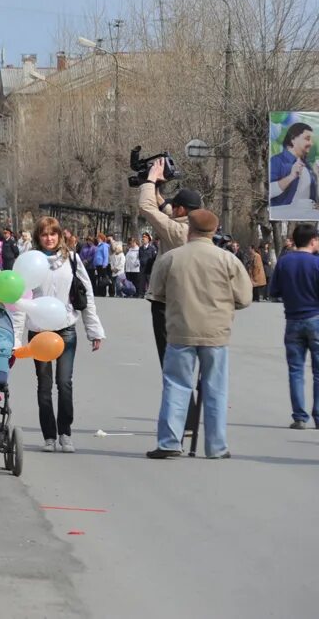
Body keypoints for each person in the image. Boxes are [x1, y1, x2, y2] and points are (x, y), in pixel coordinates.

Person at [146, 209, 251, 459]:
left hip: (181, 331)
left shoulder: (171, 258)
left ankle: (170, 441)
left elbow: (156, 293)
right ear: (214, 231)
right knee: (216, 388)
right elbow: (245, 298)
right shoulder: (228, 260)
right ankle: (216, 446)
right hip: (216, 333)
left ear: (189, 229)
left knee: (175, 384)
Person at [10, 216, 105, 453]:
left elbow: (86, 295)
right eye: (44, 234)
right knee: (44, 386)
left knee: (64, 383)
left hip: (65, 328)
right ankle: (49, 436)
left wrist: (94, 330)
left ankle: (65, 432)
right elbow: (20, 302)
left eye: (53, 234)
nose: (49, 238)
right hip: (39, 332)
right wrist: (15, 338)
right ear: (37, 237)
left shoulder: (71, 259)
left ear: (60, 236)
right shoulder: (29, 262)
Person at [138, 160, 199, 362]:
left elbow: (147, 207)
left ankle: (180, 393)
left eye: (175, 206)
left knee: (169, 358)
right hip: (190, 301)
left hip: (166, 302)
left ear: (181, 210)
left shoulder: (177, 231)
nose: (170, 207)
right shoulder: (195, 227)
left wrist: (150, 179)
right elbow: (164, 209)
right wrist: (156, 188)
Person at [269, 223, 319, 429]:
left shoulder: (284, 262)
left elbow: (273, 291)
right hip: (316, 319)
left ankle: (299, 416)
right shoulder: (317, 264)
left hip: (292, 320)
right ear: (312, 240)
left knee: (295, 370)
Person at [269, 121, 319, 208]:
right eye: (307, 139)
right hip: (285, 217)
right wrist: (291, 177)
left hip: (308, 216)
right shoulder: (276, 161)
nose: (311, 143)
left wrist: (317, 176)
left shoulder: (308, 165)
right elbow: (267, 192)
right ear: (293, 139)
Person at [137, 232, 157, 298]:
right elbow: (140, 257)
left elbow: (154, 258)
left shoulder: (152, 248)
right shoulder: (140, 248)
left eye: (145, 238)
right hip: (142, 267)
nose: (143, 239)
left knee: (149, 281)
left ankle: (151, 294)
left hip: (149, 267)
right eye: (142, 238)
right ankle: (141, 294)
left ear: (148, 239)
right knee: (142, 281)